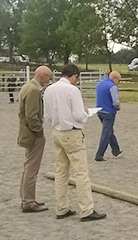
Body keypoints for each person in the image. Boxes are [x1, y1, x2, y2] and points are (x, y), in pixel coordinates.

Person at [44, 63, 107, 222]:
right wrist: (86, 113)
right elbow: (79, 115)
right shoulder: (72, 90)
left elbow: (48, 116)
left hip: (57, 132)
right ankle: (86, 210)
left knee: (61, 172)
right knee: (81, 173)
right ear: (74, 76)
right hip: (72, 133)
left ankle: (61, 208)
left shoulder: (49, 90)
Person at [17, 66, 52, 213]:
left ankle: (27, 197)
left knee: (28, 167)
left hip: (28, 132)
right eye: (48, 78)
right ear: (43, 76)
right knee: (32, 168)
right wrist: (39, 131)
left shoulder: (27, 86)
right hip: (33, 134)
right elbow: (32, 116)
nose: (49, 81)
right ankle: (28, 202)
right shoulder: (33, 90)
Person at [94, 71, 123, 162]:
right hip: (109, 112)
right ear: (114, 78)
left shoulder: (100, 84)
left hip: (99, 111)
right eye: (119, 80)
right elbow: (115, 102)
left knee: (109, 130)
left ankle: (116, 150)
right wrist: (118, 107)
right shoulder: (112, 87)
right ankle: (99, 154)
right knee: (106, 133)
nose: (118, 82)